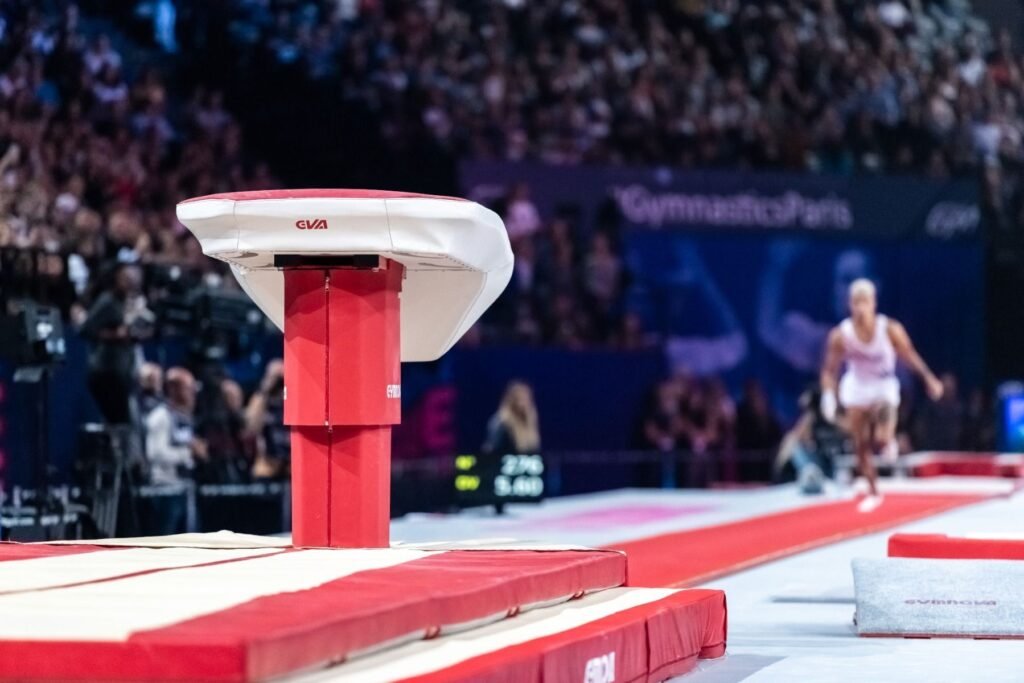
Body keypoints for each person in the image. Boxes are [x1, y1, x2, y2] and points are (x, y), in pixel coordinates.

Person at [820, 279, 943, 512]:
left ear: (873, 303)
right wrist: (828, 395)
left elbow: (910, 356)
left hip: (883, 386)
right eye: (856, 302)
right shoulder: (841, 335)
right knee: (860, 445)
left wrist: (929, 379)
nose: (860, 307)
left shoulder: (889, 329)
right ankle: (873, 492)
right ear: (850, 304)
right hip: (857, 386)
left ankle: (888, 440)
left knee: (882, 436)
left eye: (865, 302)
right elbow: (829, 370)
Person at [144, 367, 206, 534]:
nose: (193, 393)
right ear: (173, 389)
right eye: (188, 388)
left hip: (184, 488)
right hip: (165, 491)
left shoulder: (184, 418)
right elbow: (155, 454)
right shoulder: (161, 417)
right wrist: (188, 453)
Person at [483, 381, 540, 456]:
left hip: (526, 464)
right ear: (512, 400)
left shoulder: (530, 420)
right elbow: (490, 449)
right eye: (521, 398)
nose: (525, 402)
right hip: (504, 464)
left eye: (527, 398)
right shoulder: (501, 421)